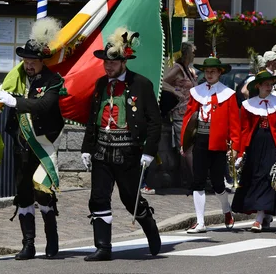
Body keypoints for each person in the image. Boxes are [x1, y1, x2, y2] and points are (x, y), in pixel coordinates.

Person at [0, 18, 65, 260]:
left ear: (41, 62)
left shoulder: (52, 81)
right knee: (24, 194)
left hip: (43, 146)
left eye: (32, 62)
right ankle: (28, 244)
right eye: (25, 61)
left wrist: (14, 102)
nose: (28, 66)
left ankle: (52, 239)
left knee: (43, 193)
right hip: (21, 146)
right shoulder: (16, 76)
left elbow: (43, 106)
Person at [80, 28, 162, 261]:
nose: (109, 67)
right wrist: (87, 148)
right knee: (98, 197)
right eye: (106, 62)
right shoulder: (99, 85)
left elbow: (155, 122)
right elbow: (92, 119)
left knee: (130, 198)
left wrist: (148, 152)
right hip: (102, 151)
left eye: (113, 63)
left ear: (124, 61)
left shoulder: (141, 84)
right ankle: (103, 247)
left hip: (128, 152)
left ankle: (149, 226)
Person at [181, 56, 240, 234]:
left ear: (220, 73)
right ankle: (200, 222)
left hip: (219, 143)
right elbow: (188, 117)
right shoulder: (196, 92)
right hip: (200, 139)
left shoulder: (228, 94)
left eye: (213, 71)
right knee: (197, 181)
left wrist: (235, 147)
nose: (209, 74)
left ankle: (226, 210)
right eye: (207, 71)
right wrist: (184, 142)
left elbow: (235, 124)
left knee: (217, 184)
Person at [232, 71, 276, 232]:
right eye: (266, 84)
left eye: (271, 84)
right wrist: (239, 152)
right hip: (255, 143)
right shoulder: (249, 105)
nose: (269, 87)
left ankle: (259, 218)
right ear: (259, 86)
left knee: (268, 177)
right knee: (255, 177)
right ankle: (264, 214)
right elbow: (244, 129)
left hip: (272, 143)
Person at [161, 42, 197, 190]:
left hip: (191, 112)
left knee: (190, 146)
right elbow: (162, 82)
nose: (195, 54)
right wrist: (176, 90)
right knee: (186, 147)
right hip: (180, 113)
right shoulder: (178, 68)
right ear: (186, 52)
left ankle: (189, 179)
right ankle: (193, 179)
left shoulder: (188, 70)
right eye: (193, 51)